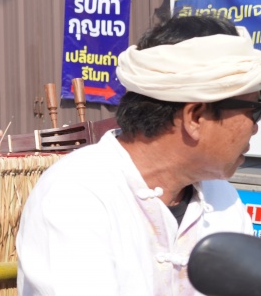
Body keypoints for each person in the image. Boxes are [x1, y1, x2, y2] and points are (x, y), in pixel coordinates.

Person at [16, 16, 258, 295]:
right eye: (254, 110)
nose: (255, 127)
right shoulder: (75, 195)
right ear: (195, 116)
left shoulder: (223, 197)